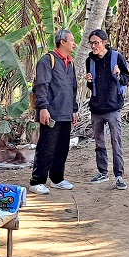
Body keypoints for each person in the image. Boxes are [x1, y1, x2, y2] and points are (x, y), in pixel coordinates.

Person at [29, 29, 79, 195]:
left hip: (66, 112)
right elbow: (41, 86)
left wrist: (74, 109)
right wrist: (43, 108)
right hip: (51, 113)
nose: (74, 44)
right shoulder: (48, 60)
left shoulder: (70, 63)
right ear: (62, 42)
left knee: (62, 148)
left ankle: (57, 178)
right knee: (46, 147)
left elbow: (73, 88)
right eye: (71, 40)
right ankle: (37, 181)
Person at [85, 29, 129, 190]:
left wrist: (118, 75)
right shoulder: (89, 60)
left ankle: (119, 175)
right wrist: (89, 81)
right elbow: (91, 85)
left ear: (105, 43)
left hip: (113, 107)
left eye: (96, 43)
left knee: (116, 142)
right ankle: (102, 172)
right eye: (91, 43)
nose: (93, 46)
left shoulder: (116, 57)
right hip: (96, 107)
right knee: (99, 142)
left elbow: (126, 79)